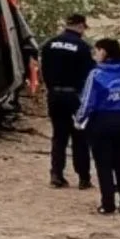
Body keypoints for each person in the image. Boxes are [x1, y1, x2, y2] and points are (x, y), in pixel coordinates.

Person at [74, 38, 120, 214]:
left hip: (102, 121)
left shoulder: (96, 74)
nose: (95, 54)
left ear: (104, 52)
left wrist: (79, 121)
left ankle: (108, 204)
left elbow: (87, 102)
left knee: (104, 164)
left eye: (97, 50)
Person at [40, 13, 95, 189]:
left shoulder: (49, 44)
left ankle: (56, 175)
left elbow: (44, 71)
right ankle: (84, 178)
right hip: (75, 96)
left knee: (59, 137)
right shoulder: (83, 47)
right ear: (80, 26)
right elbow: (90, 75)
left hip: (54, 95)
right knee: (80, 137)